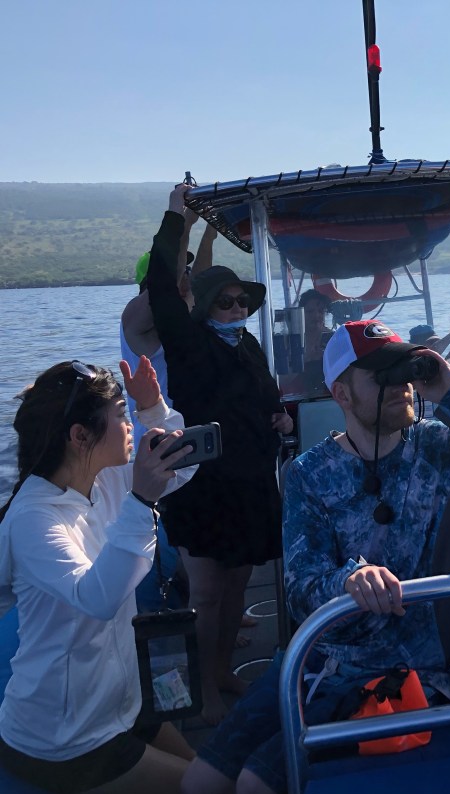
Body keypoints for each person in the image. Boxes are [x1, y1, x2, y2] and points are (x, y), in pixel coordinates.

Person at [180, 319, 450, 794]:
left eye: (403, 370)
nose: (400, 384)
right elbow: (301, 587)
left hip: (402, 671)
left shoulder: (438, 449)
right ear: (341, 394)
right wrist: (351, 580)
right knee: (199, 785)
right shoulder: (309, 473)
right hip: (320, 658)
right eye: (380, 374)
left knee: (255, 787)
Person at [0, 355, 196, 794]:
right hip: (64, 739)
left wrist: (154, 409)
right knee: (215, 789)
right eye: (123, 415)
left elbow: (180, 469)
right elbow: (99, 597)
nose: (131, 427)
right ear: (79, 436)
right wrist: (142, 500)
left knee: (210, 774)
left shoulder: (102, 479)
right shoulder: (35, 518)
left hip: (117, 706)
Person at [148, 184, 293, 725]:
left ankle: (225, 668)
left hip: (252, 482)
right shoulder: (189, 346)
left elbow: (268, 401)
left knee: (235, 585)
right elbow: (162, 286)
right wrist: (175, 219)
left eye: (242, 302)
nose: (236, 309)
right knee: (206, 592)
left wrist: (280, 417)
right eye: (224, 301)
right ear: (204, 307)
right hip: (205, 487)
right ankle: (204, 689)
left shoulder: (248, 345)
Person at [121, 207, 217, 446]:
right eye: (182, 270)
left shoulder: (179, 314)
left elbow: (200, 279)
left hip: (189, 430)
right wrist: (184, 224)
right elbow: (165, 284)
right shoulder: (133, 317)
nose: (187, 277)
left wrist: (210, 232)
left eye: (186, 271)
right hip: (159, 439)